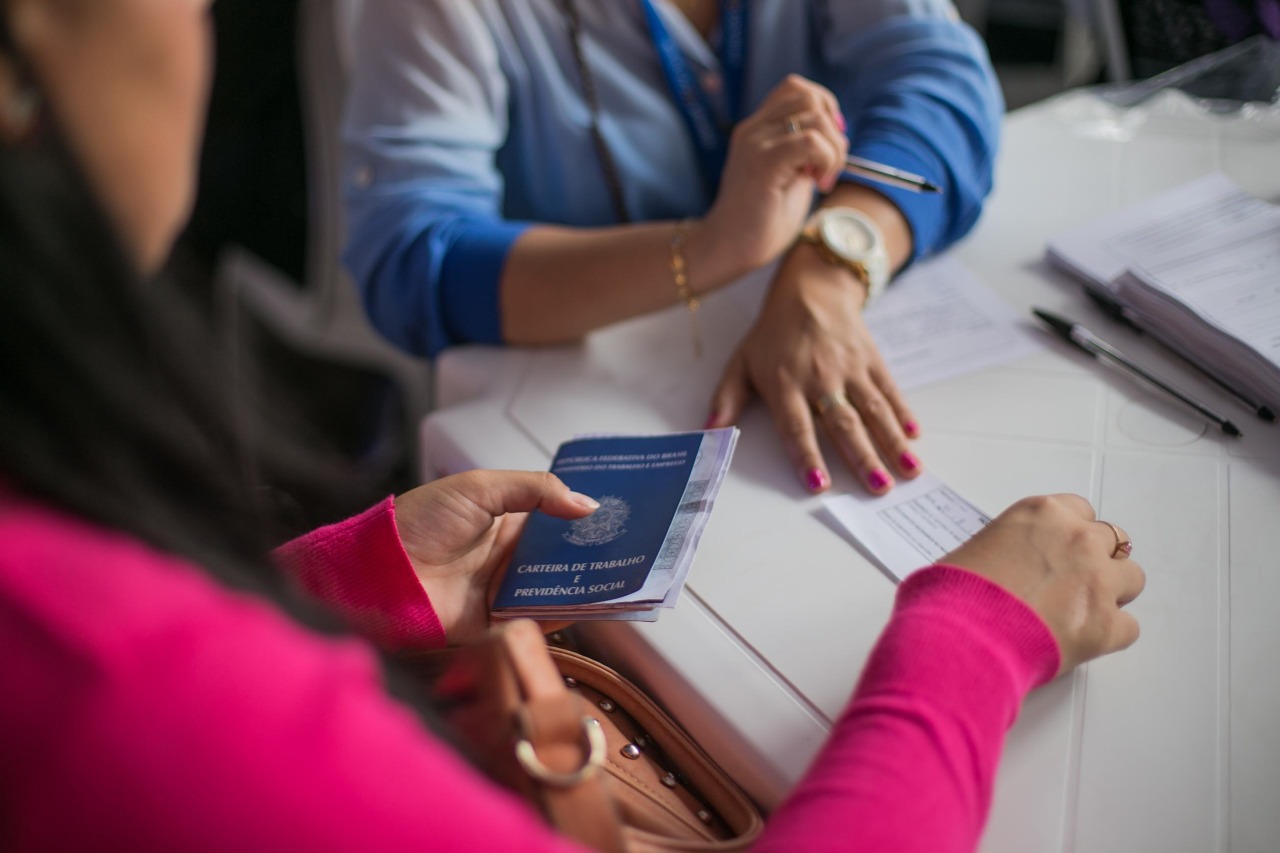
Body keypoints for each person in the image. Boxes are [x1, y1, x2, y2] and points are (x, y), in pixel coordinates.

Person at [0, 0, 1144, 850]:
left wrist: (347, 581)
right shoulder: (123, 684)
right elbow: (411, 257)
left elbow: (938, 76)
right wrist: (973, 637)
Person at [341, 0, 1004, 497]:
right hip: (583, 411)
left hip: (804, 339)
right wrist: (709, 249)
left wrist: (829, 265)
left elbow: (941, 76)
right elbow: (412, 259)